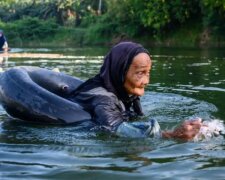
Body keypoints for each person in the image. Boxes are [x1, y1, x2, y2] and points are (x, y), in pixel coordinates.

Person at [69, 41, 202, 140]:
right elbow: (116, 130)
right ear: (120, 71)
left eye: (148, 73)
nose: (146, 81)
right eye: (140, 73)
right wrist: (172, 135)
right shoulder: (104, 99)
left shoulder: (124, 92)